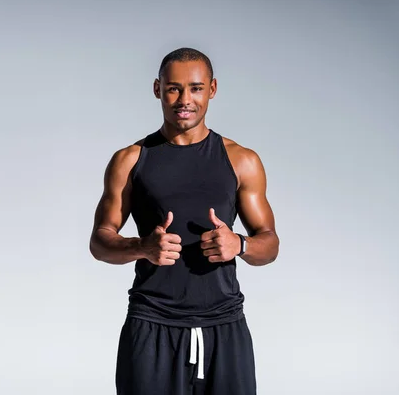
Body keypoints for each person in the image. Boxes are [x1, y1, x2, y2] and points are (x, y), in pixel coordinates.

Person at [89, 47, 280, 395]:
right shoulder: (130, 160)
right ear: (157, 89)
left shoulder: (242, 160)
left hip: (224, 325)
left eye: (195, 88)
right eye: (174, 88)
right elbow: (100, 241)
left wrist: (240, 244)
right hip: (151, 324)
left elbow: (269, 243)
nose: (184, 99)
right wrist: (141, 247)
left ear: (212, 89)